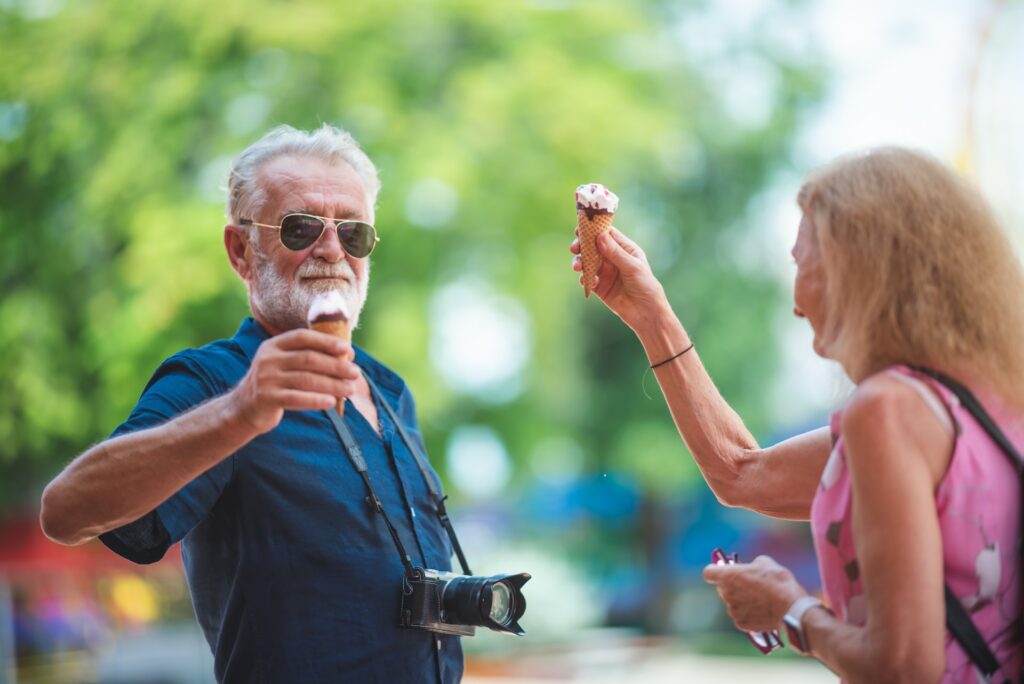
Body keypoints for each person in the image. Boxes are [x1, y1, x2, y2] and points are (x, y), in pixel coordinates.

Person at [571, 147, 1024, 682]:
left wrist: (789, 610)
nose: (796, 303)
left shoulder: (888, 410)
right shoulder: (991, 411)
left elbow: (904, 668)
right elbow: (741, 473)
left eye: (800, 264)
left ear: (857, 271)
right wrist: (650, 316)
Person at [40, 124, 464, 683]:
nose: (332, 248)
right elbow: (65, 512)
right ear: (241, 250)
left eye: (354, 232)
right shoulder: (215, 381)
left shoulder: (390, 392)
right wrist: (239, 412)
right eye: (301, 227)